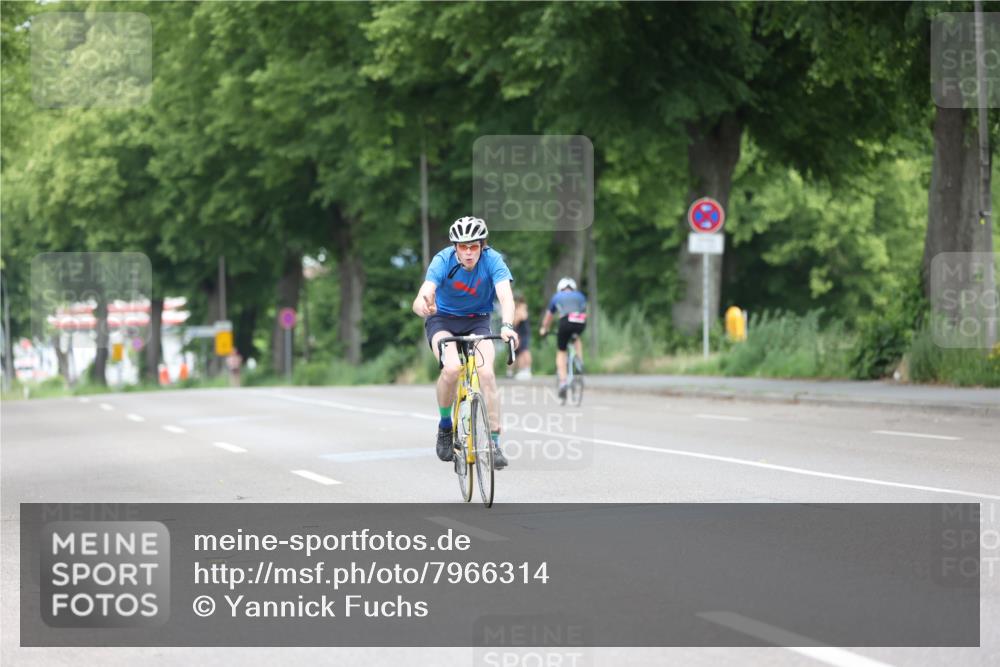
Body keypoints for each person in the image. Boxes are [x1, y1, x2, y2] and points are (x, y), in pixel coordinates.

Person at [412, 216, 519, 469]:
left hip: (477, 321)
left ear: (483, 245)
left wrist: (507, 326)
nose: (469, 252)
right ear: (455, 247)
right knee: (451, 369)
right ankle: (445, 426)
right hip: (442, 320)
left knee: (487, 374)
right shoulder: (442, 260)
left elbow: (506, 297)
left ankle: (493, 443)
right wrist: (425, 307)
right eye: (463, 247)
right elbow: (420, 298)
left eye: (474, 246)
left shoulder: (493, 260)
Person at [539, 277, 586, 399]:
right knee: (576, 338)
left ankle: (563, 382)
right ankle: (580, 361)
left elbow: (549, 317)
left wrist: (544, 329)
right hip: (580, 321)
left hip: (566, 322)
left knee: (561, 351)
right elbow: (583, 311)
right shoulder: (580, 295)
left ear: (560, 288)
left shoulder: (557, 296)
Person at [510, 293, 533, 380]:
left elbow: (516, 321)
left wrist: (514, 316)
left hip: (524, 333)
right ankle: (522, 369)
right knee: (519, 352)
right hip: (519, 333)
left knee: (525, 351)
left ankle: (527, 369)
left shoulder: (522, 307)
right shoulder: (519, 308)